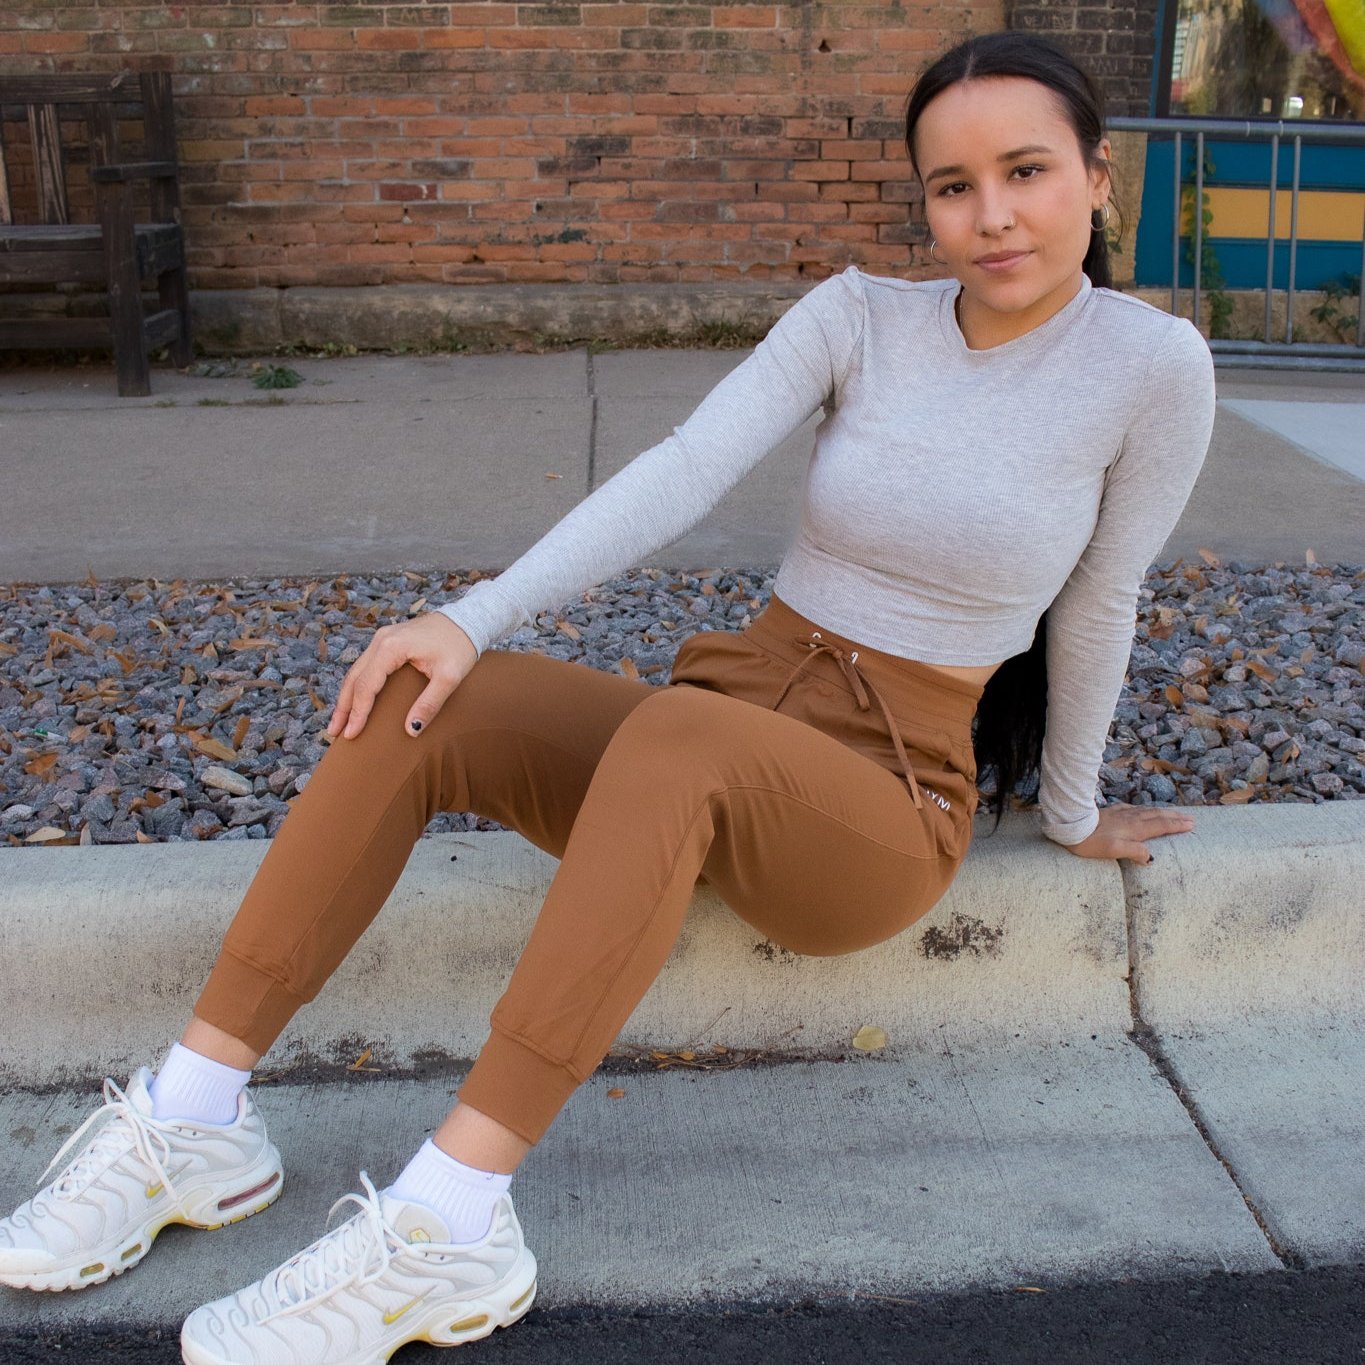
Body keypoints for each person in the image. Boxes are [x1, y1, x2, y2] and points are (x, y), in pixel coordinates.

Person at [0, 28, 1216, 1365]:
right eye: (951, 185)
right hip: (718, 730)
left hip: (880, 804)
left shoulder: (1149, 367)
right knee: (430, 697)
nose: (990, 216)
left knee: (683, 734)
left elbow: (1100, 597)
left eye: (1027, 171)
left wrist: (1068, 811)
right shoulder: (861, 316)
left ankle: (453, 1216)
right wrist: (467, 619)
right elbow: (682, 468)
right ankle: (197, 1113)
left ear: (1099, 178)